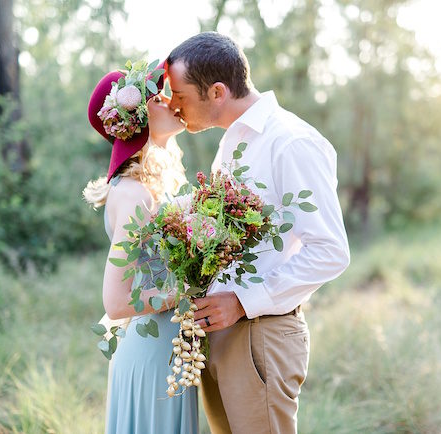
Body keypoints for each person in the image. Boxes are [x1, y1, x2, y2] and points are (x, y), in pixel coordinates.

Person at [166, 32, 350, 433]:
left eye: (180, 96)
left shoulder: (291, 142)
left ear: (216, 91)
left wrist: (244, 301)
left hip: (259, 335)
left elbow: (331, 250)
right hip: (222, 334)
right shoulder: (233, 142)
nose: (174, 107)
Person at [83, 62, 198, 434]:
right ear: (138, 117)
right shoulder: (133, 194)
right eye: (159, 95)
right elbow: (116, 302)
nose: (171, 100)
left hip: (171, 345)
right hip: (153, 353)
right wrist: (187, 290)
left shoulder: (149, 186)